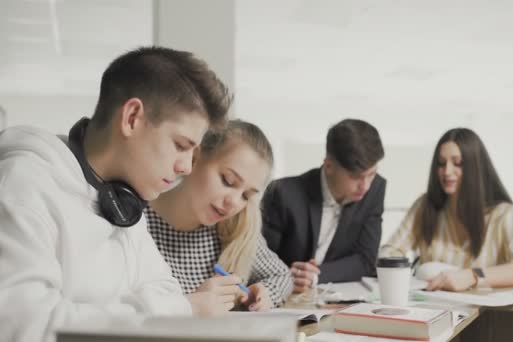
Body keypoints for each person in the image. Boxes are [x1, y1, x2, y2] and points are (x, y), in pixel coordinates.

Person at [0, 46, 232, 342]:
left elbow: (165, 290)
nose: (186, 167)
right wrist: (178, 310)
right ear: (132, 117)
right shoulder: (22, 183)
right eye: (180, 145)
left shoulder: (124, 204)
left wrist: (91, 313)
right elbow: (26, 328)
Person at [145, 120, 292, 312]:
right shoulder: (136, 222)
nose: (234, 203)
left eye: (246, 196)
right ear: (195, 157)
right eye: (228, 181)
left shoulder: (234, 228)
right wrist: (193, 305)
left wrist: (264, 294)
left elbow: (282, 276)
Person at [382, 128, 513, 292]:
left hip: (485, 315)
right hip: (434, 309)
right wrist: (403, 277)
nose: (447, 171)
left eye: (457, 163)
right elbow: (389, 251)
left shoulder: (505, 214)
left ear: (475, 167)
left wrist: (472, 276)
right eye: (441, 163)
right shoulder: (425, 206)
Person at [262, 118, 386, 293]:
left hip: (338, 297)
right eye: (356, 176)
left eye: (371, 174)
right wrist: (290, 275)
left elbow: (366, 260)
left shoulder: (375, 189)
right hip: (284, 296)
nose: (365, 186)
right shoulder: (283, 193)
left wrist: (316, 275)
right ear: (329, 166)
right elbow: (261, 260)